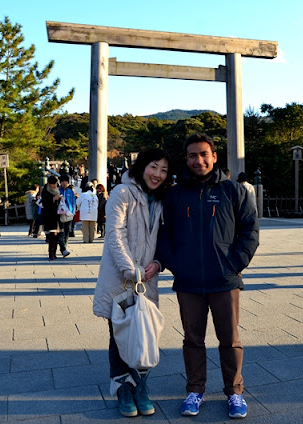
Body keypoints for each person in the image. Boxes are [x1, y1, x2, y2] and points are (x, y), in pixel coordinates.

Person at [157, 133, 259, 419]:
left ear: (214, 157)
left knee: (230, 338)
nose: (198, 160)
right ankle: (194, 389)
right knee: (192, 339)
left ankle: (235, 392)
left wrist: (235, 263)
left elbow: (250, 231)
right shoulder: (174, 195)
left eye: (204, 154)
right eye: (192, 155)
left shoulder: (233, 191)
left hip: (224, 279)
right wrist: (177, 264)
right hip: (188, 281)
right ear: (186, 159)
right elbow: (164, 234)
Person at [92, 148, 170, 417]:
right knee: (119, 333)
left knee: (145, 332)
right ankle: (123, 387)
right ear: (141, 167)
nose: (158, 174)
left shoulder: (159, 200)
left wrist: (158, 264)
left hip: (147, 278)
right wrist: (132, 270)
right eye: (153, 167)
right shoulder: (121, 193)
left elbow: (166, 240)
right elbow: (115, 235)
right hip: (121, 278)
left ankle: (141, 386)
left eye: (163, 170)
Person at [41, 176, 63, 260]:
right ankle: (51, 253)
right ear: (49, 184)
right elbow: (44, 203)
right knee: (52, 235)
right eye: (53, 184)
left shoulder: (57, 191)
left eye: (56, 184)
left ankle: (54, 252)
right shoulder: (45, 191)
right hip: (49, 216)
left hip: (57, 216)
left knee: (56, 236)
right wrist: (53, 199)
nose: (54, 186)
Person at [58, 175, 75, 258]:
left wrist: (73, 212)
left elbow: (73, 202)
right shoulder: (58, 191)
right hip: (60, 214)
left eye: (66, 181)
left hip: (68, 213)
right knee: (61, 231)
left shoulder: (70, 191)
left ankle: (65, 245)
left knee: (67, 230)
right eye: (62, 181)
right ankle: (63, 248)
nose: (64, 183)